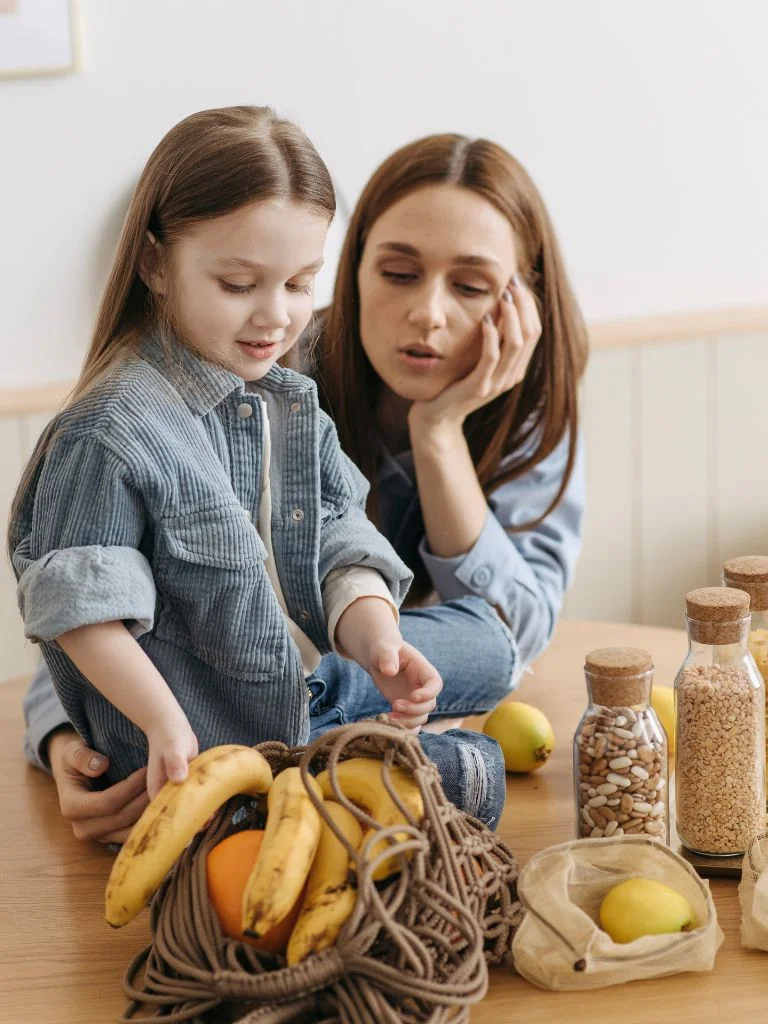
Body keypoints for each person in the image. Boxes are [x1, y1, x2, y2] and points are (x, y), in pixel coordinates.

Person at [21, 128, 587, 843]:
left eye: (296, 285)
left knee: (488, 680)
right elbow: (78, 607)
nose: (429, 315)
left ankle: (333, 738)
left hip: (306, 678)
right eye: (399, 273)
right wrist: (71, 742)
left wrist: (381, 635)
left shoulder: (287, 395)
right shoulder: (144, 414)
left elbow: (343, 537)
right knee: (462, 770)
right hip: (211, 724)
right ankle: (331, 751)